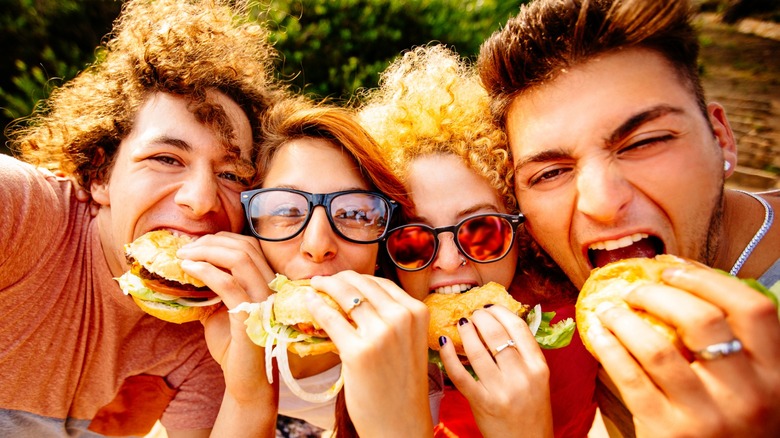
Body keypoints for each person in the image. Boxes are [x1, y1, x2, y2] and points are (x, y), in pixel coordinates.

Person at [478, 0, 780, 436]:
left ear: (721, 139)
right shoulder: (562, 328)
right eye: (551, 172)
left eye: (644, 142)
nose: (601, 202)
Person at [0, 0, 282, 435]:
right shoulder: (21, 210)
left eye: (230, 174)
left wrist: (253, 379)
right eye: (166, 159)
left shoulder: (212, 331)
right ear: (100, 174)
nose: (201, 199)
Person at [357, 45, 598, 437]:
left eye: (481, 230)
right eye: (414, 240)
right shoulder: (361, 351)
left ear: (518, 229)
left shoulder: (580, 325)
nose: (449, 261)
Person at [177, 96, 440, 437]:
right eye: (286, 211)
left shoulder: (415, 367)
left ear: (383, 240)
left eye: (354, 214)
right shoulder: (200, 336)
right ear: (247, 229)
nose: (317, 246)